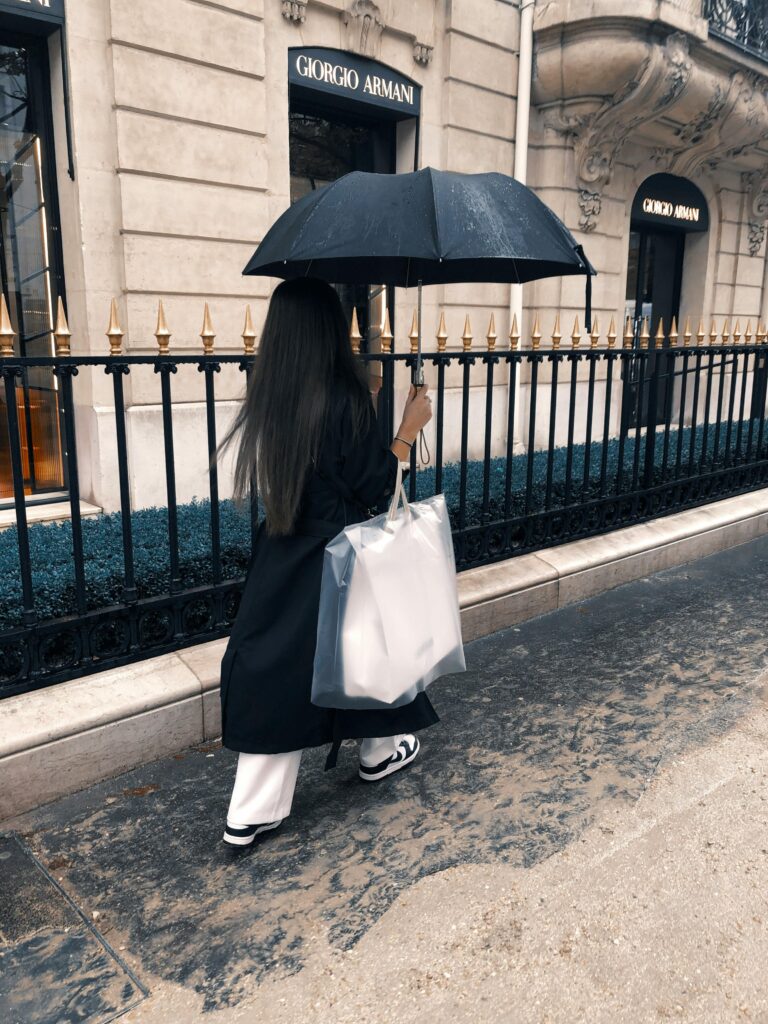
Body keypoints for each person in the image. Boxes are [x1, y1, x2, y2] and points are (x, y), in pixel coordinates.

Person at [217, 278, 436, 847]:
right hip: (339, 554)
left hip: (286, 548)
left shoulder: (272, 393)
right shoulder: (340, 396)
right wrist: (407, 431)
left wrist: (364, 406)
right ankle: (378, 750)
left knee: (282, 665)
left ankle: (256, 804)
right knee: (365, 647)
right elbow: (370, 483)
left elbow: (320, 467)